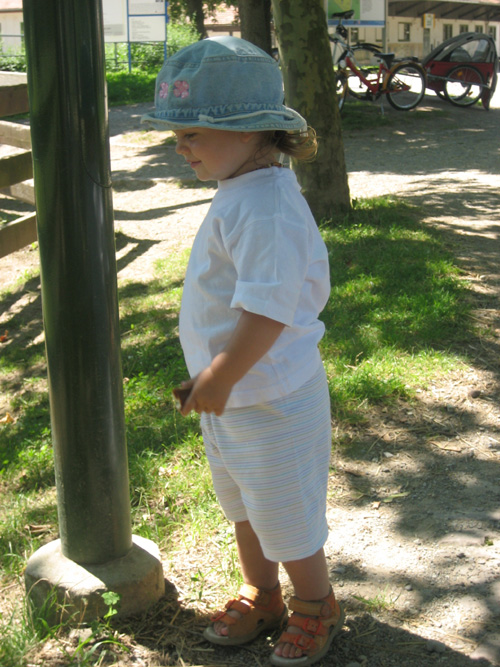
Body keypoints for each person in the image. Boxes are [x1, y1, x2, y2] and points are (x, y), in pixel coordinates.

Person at [142, 36, 344, 666]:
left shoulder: (266, 208)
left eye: (192, 134)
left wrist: (222, 374)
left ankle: (316, 604)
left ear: (251, 130)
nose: (181, 147)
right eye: (177, 135)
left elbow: (267, 308)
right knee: (245, 505)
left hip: (271, 396)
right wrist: (218, 378)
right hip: (235, 392)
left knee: (285, 511)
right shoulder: (244, 188)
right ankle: (264, 594)